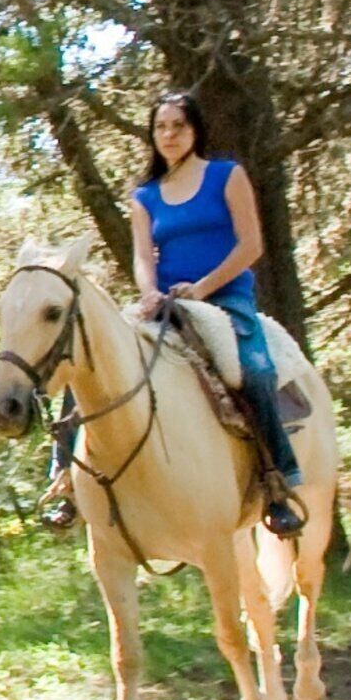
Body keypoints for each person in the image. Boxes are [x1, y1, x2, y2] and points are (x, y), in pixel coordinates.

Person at [124, 91, 306, 537]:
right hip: (165, 303)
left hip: (225, 299)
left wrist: (203, 288)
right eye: (161, 127)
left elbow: (252, 245)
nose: (169, 135)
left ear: (196, 130)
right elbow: (144, 257)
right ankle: (68, 479)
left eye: (178, 126)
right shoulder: (145, 196)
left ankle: (278, 483)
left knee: (255, 371)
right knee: (98, 351)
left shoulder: (226, 175)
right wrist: (148, 292)